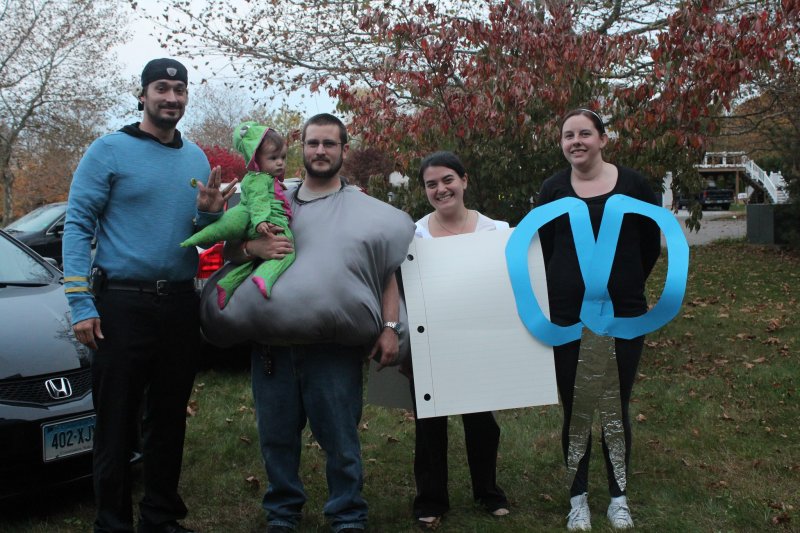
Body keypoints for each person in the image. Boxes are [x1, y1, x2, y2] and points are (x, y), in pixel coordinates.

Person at [62, 58, 234, 533]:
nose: (172, 98)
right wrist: (80, 301)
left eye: (179, 90)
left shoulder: (197, 159)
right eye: (162, 88)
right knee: (116, 423)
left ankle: (160, 517)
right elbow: (77, 226)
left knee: (168, 419)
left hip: (180, 303)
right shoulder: (108, 151)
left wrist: (207, 218)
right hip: (121, 303)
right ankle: (111, 523)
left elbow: (198, 237)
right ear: (142, 94)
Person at [222, 113, 415, 533]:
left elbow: (387, 274)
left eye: (330, 144)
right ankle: (282, 512)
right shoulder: (272, 198)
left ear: (345, 150)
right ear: (301, 149)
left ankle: (347, 514)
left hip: (334, 351)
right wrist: (256, 244)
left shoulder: (367, 211)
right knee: (276, 438)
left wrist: (389, 327)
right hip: (273, 347)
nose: (321, 151)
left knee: (341, 441)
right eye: (313, 143)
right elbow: (230, 252)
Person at [537, 108, 662, 531]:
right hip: (567, 315)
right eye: (568, 134)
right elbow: (544, 249)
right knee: (577, 407)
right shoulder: (553, 189)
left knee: (614, 404)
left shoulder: (635, 186)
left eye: (585, 133)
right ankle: (578, 498)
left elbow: (649, 244)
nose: (576, 141)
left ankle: (618, 497)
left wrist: (624, 285)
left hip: (622, 312)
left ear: (603, 139)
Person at [407, 151, 510, 529]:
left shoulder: (496, 231)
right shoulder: (414, 235)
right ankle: (431, 499)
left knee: (482, 423)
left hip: (480, 340)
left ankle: (488, 492)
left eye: (447, 179)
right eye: (431, 184)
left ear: (464, 181)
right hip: (431, 342)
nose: (440, 189)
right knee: (430, 426)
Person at [181, 122, 295, 308]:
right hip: (269, 224)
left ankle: (228, 283)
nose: (280, 162)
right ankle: (265, 276)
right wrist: (261, 222)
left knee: (249, 263)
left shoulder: (260, 179)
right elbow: (259, 203)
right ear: (256, 160)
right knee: (286, 250)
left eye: (283, 157)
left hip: (260, 227)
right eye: (273, 158)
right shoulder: (260, 179)